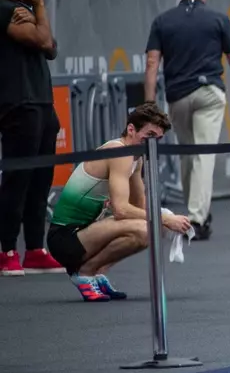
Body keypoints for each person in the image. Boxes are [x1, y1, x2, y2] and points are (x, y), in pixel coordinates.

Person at [143, 0, 230, 239]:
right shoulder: (218, 20)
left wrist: (149, 103)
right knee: (203, 154)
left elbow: (152, 64)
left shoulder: (162, 21)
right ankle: (197, 218)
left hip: (178, 95)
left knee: (188, 153)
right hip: (209, 92)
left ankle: (195, 210)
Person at [46, 102, 189, 300]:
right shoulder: (119, 151)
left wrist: (170, 218)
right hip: (65, 239)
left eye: (158, 139)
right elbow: (121, 210)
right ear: (131, 129)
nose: (152, 144)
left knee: (156, 225)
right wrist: (164, 218)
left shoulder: (135, 157)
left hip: (86, 233)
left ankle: (97, 272)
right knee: (147, 229)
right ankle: (86, 272)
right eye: (149, 136)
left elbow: (139, 207)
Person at [0, 0, 61, 276]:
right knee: (17, 179)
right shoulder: (5, 9)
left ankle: (35, 249)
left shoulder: (25, 11)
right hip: (18, 102)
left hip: (41, 101)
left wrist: (36, 14)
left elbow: (49, 46)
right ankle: (6, 249)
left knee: (41, 180)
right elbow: (40, 37)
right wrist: (38, 7)